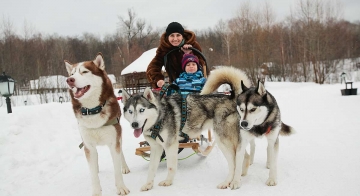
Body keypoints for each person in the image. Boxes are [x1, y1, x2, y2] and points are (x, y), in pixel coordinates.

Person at [146, 22, 209, 89]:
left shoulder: (193, 45)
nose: (175, 39)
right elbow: (153, 67)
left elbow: (203, 65)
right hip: (175, 86)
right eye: (172, 36)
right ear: (168, 37)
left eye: (178, 35)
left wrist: (189, 54)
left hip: (196, 84)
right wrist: (158, 79)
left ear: (182, 35)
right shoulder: (164, 49)